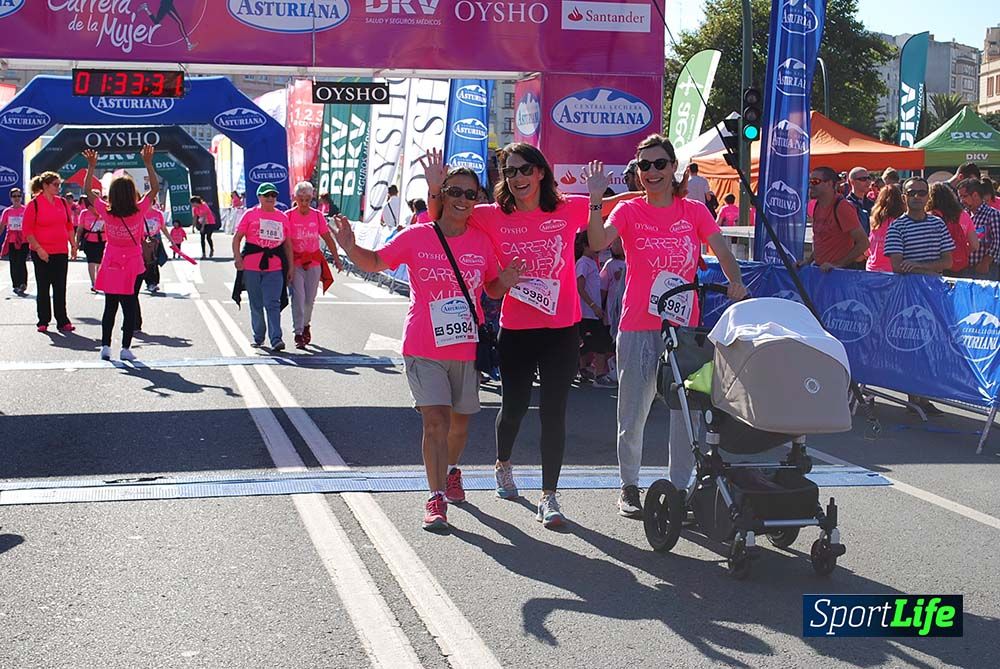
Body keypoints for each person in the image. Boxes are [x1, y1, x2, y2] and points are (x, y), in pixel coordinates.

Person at [332, 167, 522, 531]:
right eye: (456, 192)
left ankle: (451, 470)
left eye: (471, 194)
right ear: (444, 194)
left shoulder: (481, 242)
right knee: (436, 421)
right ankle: (435, 496)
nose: (463, 200)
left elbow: (491, 289)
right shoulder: (418, 236)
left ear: (477, 200)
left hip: (466, 348)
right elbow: (375, 262)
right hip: (423, 345)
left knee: (460, 426)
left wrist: (506, 281)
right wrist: (349, 246)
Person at [423, 144, 591, 528]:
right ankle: (503, 463)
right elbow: (443, 216)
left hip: (563, 328)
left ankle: (549, 497)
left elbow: (621, 206)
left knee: (554, 411)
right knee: (514, 407)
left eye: (524, 170)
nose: (517, 178)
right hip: (517, 329)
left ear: (541, 173)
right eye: (510, 171)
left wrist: (671, 186)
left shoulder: (566, 210)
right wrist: (436, 187)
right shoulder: (491, 216)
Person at [585, 134, 747, 519]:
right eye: (645, 166)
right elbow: (597, 240)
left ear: (674, 167)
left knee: (685, 414)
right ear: (637, 172)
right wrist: (595, 198)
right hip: (640, 324)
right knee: (634, 409)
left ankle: (680, 490)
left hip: (684, 330)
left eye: (660, 164)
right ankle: (628, 486)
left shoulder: (693, 210)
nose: (652, 172)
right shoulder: (628, 211)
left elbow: (721, 250)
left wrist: (736, 282)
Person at [81, 145, 159, 361]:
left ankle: (105, 346)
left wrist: (91, 166)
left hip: (111, 260)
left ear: (112, 194)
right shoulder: (140, 209)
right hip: (133, 262)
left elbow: (88, 192)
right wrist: (148, 163)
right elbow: (154, 189)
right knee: (130, 304)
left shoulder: (106, 211)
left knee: (110, 305)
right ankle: (125, 348)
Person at [885, 176, 954, 416]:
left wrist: (918, 266)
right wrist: (928, 267)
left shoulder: (938, 224)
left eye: (921, 193)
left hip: (934, 294)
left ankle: (923, 395)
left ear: (928, 196)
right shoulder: (897, 227)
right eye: (912, 193)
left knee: (932, 344)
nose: (917, 197)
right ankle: (914, 396)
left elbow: (948, 261)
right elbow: (897, 265)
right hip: (908, 297)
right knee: (912, 344)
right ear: (904, 198)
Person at [233, 183, 294, 351]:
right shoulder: (250, 214)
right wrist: (238, 258)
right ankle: (258, 336)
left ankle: (276, 339)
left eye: (273, 196)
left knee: (272, 303)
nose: (270, 198)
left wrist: (291, 267)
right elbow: (237, 238)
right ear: (259, 197)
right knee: (256, 303)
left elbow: (288, 244)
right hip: (252, 265)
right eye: (266, 195)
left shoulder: (282, 217)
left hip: (274, 266)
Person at [287, 181, 344, 350]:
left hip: (313, 262)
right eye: (301, 199)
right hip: (296, 263)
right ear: (295, 198)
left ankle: (306, 325)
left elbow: (327, 238)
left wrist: (337, 259)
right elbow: (284, 242)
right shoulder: (288, 216)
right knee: (298, 298)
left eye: (307, 199)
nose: (304, 203)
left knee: (309, 300)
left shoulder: (317, 215)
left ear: (312, 198)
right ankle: (298, 332)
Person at [23, 172, 79, 332]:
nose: (58, 187)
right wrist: (39, 249)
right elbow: (27, 230)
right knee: (43, 287)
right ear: (45, 186)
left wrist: (73, 245)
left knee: (60, 287)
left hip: (60, 250)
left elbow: (68, 225)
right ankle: (43, 320)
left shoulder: (62, 203)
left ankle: (62, 320)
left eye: (59, 184)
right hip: (41, 251)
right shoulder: (34, 204)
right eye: (55, 184)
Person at [802, 166, 869, 270]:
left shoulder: (842, 207)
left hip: (840, 275)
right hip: (821, 272)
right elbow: (822, 241)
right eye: (809, 181)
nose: (810, 185)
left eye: (815, 181)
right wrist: (808, 261)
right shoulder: (815, 206)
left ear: (829, 183)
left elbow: (863, 243)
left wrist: (838, 265)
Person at [575, 232, 616, 388]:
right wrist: (593, 306)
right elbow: (580, 287)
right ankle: (598, 375)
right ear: (586, 246)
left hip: (592, 312)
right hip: (587, 312)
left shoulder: (592, 262)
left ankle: (584, 369)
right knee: (600, 344)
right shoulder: (583, 263)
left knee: (587, 343)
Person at [927, 183, 979, 278]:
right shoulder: (963, 215)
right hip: (960, 268)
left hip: (937, 267)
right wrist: (961, 253)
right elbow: (975, 245)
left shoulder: (929, 217)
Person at [958, 178, 1000, 280]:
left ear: (975, 195)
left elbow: (998, 242)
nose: (961, 200)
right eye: (960, 197)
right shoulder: (964, 215)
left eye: (964, 196)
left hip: (987, 270)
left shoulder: (992, 214)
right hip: (966, 269)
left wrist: (985, 262)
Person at [865, 185, 904, 273]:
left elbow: (868, 248)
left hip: (872, 268)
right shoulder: (901, 222)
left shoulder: (874, 220)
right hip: (892, 269)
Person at [0, 187, 28, 296]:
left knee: (21, 261)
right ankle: (16, 284)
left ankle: (23, 283)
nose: (16, 198)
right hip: (11, 240)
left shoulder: (25, 210)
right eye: (14, 196)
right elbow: (2, 226)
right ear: (11, 198)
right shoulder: (7, 211)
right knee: (14, 263)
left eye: (18, 196)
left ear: (21, 197)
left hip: (24, 241)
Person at [75, 196, 106, 293]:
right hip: (90, 240)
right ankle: (94, 282)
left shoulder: (104, 211)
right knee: (91, 261)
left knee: (101, 262)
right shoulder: (84, 213)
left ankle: (100, 281)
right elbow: (80, 229)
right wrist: (76, 242)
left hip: (103, 240)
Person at [141, 203, 167, 294]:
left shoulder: (158, 213)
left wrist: (171, 240)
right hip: (143, 240)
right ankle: (149, 282)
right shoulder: (140, 212)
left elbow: (163, 228)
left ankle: (154, 282)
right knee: (146, 262)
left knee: (154, 261)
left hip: (155, 240)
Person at [846, 167, 874, 234]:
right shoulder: (846, 204)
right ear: (852, 182)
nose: (868, 182)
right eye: (863, 179)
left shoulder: (872, 204)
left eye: (869, 178)